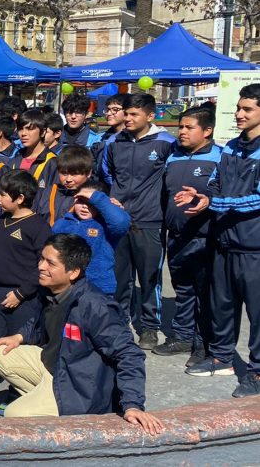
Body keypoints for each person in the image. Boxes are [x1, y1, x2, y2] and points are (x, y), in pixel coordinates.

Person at [0, 234, 163, 436]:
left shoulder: (95, 306)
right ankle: (43, 399)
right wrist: (19, 336)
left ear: (73, 272)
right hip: (53, 367)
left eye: (50, 263)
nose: (41, 266)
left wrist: (132, 405)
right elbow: (39, 322)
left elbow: (129, 354)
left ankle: (65, 415)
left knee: (14, 414)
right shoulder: (50, 291)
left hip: (77, 386)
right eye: (42, 259)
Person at [184, 84, 260, 397]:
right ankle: (222, 356)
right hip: (224, 242)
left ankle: (257, 373)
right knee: (222, 305)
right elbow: (216, 183)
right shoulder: (229, 147)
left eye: (247, 109)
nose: (239, 114)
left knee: (258, 314)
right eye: (239, 108)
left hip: (254, 249)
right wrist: (204, 196)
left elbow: (257, 200)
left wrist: (214, 204)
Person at [0, 170, 52, 414]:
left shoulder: (39, 226)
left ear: (19, 198)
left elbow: (43, 265)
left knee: (17, 346)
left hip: (25, 298)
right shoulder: (1, 221)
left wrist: (21, 293)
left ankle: (18, 391)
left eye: (3, 194)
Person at [104, 93, 177, 350]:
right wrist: (115, 202)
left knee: (149, 277)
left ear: (150, 115)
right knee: (119, 276)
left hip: (150, 221)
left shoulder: (167, 143)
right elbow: (108, 174)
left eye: (134, 114)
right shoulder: (114, 142)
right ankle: (120, 321)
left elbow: (172, 179)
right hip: (119, 221)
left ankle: (149, 327)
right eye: (126, 113)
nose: (128, 118)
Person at [154, 106, 220, 364]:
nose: (181, 132)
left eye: (188, 127)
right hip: (177, 237)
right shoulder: (173, 156)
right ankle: (181, 337)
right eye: (180, 126)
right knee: (183, 291)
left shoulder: (220, 157)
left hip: (206, 239)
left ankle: (202, 344)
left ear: (207, 130)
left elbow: (224, 195)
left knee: (205, 294)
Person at [52, 180, 130, 296]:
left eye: (91, 203)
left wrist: (100, 199)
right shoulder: (62, 223)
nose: (85, 206)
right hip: (66, 288)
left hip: (98, 288)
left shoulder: (106, 227)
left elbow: (121, 223)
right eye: (81, 201)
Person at [8, 109, 58, 218]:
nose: (23, 134)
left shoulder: (52, 163)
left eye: (30, 129)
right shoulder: (15, 160)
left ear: (43, 132)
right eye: (21, 129)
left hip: (38, 221)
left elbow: (53, 200)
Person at [45, 145, 94, 226]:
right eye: (64, 173)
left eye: (74, 174)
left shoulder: (95, 198)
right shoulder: (46, 193)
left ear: (88, 173)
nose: (68, 179)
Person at [93, 93, 130, 182]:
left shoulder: (135, 139)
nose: (109, 113)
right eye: (108, 109)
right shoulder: (99, 138)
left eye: (115, 109)